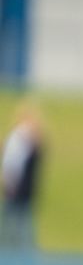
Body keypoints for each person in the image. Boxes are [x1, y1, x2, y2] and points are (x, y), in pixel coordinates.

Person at [1, 99, 43, 250]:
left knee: (21, 224)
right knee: (14, 224)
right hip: (19, 188)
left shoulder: (28, 141)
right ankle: (11, 253)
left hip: (24, 189)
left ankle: (20, 255)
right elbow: (12, 162)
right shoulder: (19, 138)